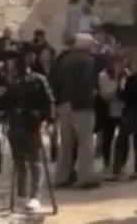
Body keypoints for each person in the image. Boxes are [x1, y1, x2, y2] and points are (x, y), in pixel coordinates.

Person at [0, 45, 55, 212]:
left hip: (32, 125)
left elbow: (49, 101)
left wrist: (46, 119)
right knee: (19, 162)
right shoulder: (9, 81)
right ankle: (21, 194)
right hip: (15, 126)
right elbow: (4, 103)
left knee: (35, 161)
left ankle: (35, 196)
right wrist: (3, 109)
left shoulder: (38, 79)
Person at [51, 33, 100, 189]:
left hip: (63, 106)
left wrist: (60, 102)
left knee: (65, 143)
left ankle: (62, 176)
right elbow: (86, 83)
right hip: (82, 106)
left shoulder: (61, 59)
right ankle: (86, 177)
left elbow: (53, 81)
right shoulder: (87, 60)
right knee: (85, 142)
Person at [110, 50, 137, 180]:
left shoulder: (132, 79)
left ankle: (116, 170)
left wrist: (119, 87)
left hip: (131, 114)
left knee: (121, 141)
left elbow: (124, 96)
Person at [98, 53, 125, 176]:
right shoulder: (104, 75)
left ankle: (120, 165)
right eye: (116, 63)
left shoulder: (126, 75)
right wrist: (117, 90)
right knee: (107, 138)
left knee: (123, 138)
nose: (119, 66)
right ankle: (107, 164)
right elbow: (105, 95)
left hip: (122, 109)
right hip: (108, 110)